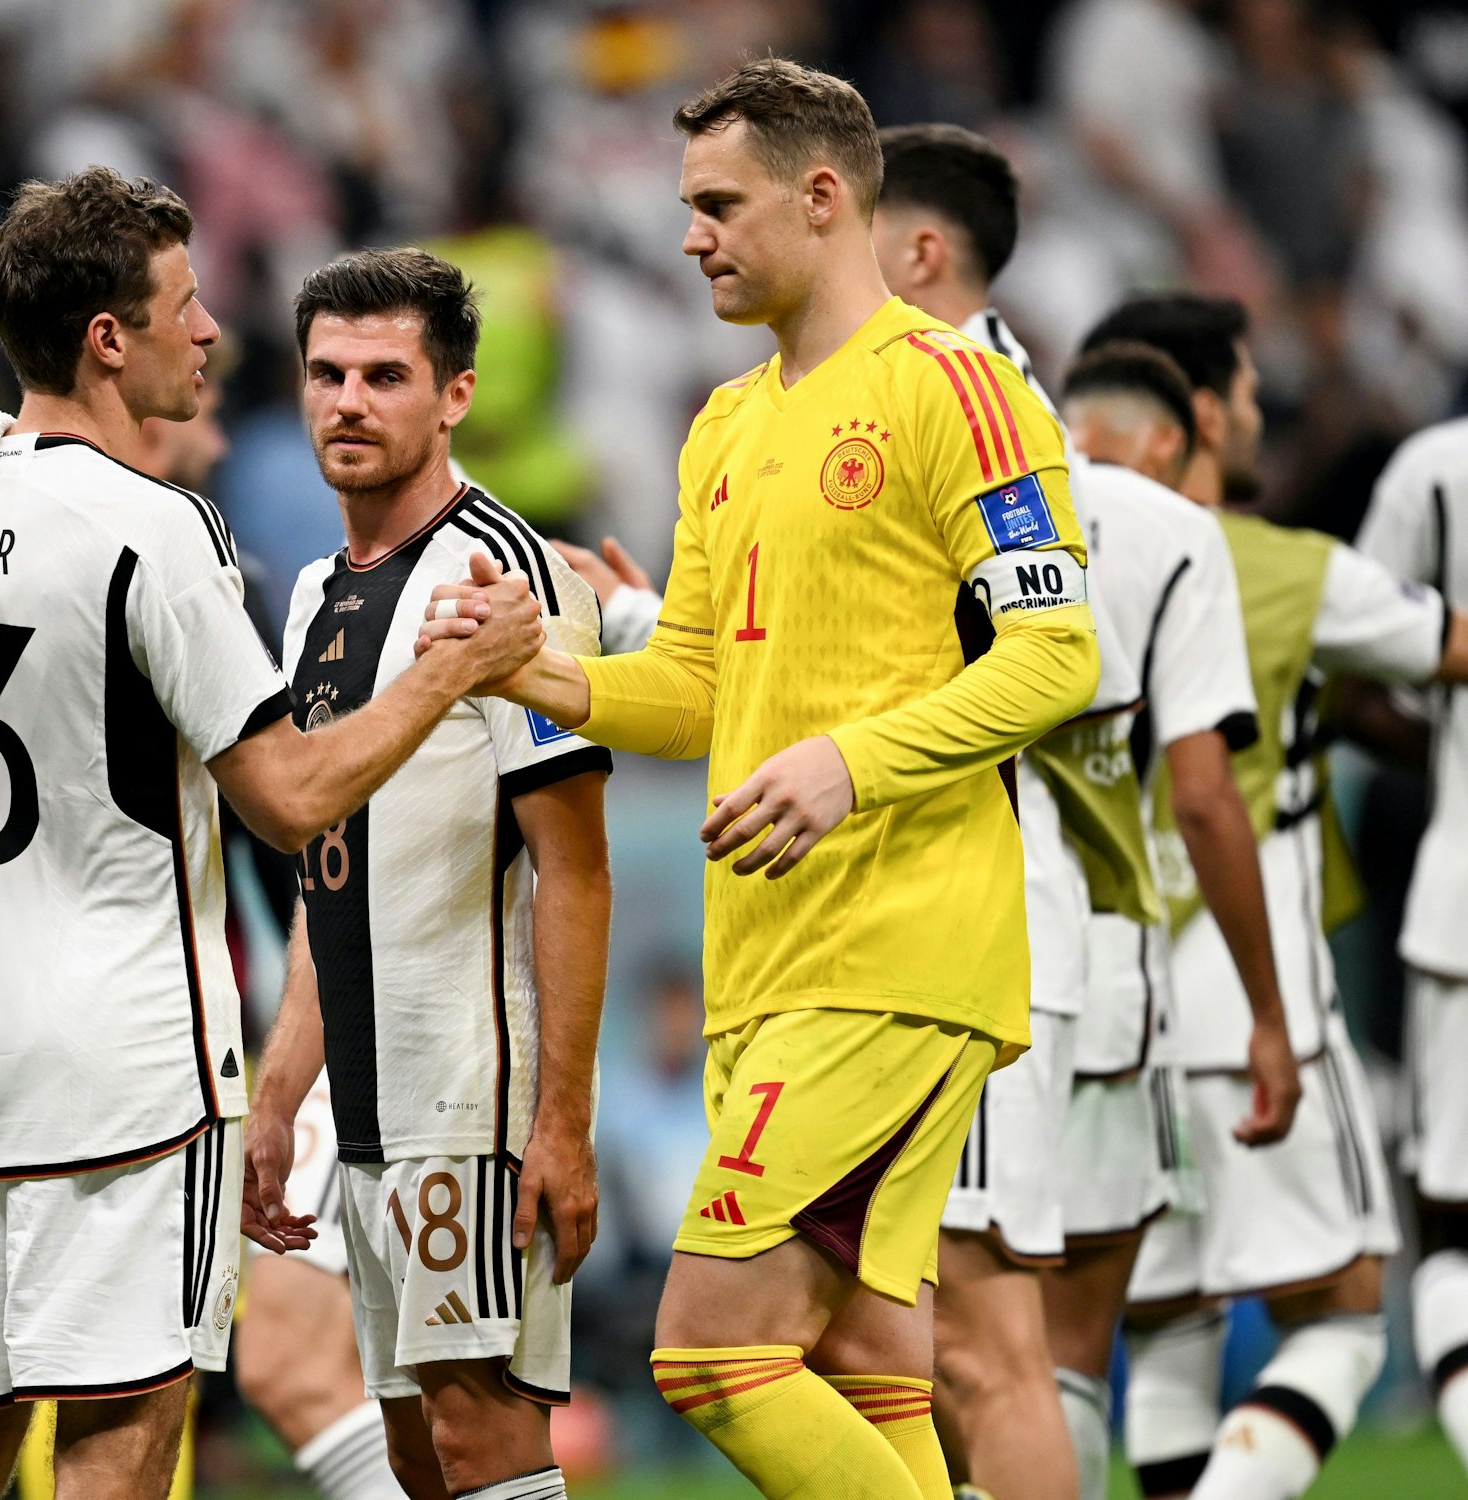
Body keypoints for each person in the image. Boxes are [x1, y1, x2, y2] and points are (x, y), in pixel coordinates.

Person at [0, 170, 545, 1500]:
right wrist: (448, 674)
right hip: (132, 1070)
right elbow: (292, 796)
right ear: (109, 338)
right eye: (185, 303)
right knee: (119, 1427)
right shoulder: (154, 527)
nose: (208, 332)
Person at [423, 59, 1100, 1500]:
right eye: (687, 208)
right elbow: (697, 690)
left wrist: (850, 766)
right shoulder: (726, 426)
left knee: (713, 1353)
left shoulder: (956, 389)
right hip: (769, 966)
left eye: (719, 205)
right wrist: (532, 665)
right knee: (866, 1369)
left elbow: (1057, 654)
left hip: (897, 953)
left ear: (820, 196)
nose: (691, 237)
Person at [870, 124, 1299, 1500]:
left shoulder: (982, 423)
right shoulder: (943, 411)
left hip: (998, 929)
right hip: (1059, 944)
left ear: (920, 249)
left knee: (985, 1349)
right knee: (1018, 1345)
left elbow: (1054, 681)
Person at [1079, 294, 1468, 1500]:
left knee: (1166, 1327)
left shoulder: (1058, 563)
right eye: (1246, 396)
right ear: (1199, 414)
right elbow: (1448, 651)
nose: (1256, 418)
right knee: (1350, 1312)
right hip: (1258, 999)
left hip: (1104, 1000)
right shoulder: (1284, 568)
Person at [245, 247, 612, 1500]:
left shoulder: (508, 578)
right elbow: (322, 865)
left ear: (453, 395)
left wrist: (560, 1121)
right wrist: (279, 1086)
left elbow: (575, 869)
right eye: (326, 375)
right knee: (411, 1456)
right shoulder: (310, 595)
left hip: (473, 1091)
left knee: (481, 1443)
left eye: (384, 376)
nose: (348, 402)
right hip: (361, 1106)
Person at [1054, 342, 1293, 1500]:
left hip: (946, 970)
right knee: (1065, 1354)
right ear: (1164, 437)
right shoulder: (1167, 531)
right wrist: (1266, 1012)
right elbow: (1199, 794)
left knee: (956, 1349)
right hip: (1101, 967)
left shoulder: (951, 491)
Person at [1351, 414, 1468, 1480]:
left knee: (1447, 1218)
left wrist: (1440, 733)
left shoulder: (1434, 472)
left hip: (1456, 906)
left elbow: (1348, 665)